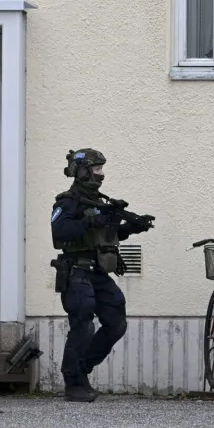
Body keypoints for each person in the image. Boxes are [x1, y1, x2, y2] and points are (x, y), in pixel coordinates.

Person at [50, 148, 152, 402]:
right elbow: (59, 231)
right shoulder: (68, 202)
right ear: (83, 171)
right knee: (83, 322)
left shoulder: (99, 202)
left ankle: (81, 369)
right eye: (97, 169)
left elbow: (107, 236)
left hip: (97, 271)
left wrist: (132, 227)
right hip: (76, 269)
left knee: (116, 321)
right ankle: (73, 383)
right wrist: (90, 221)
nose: (101, 175)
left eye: (101, 169)